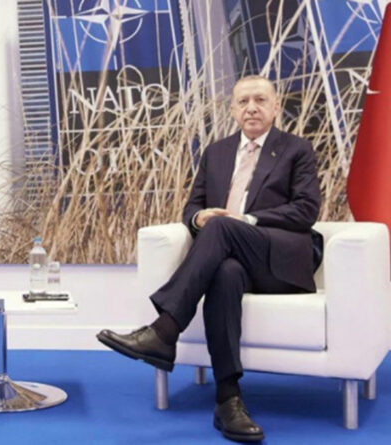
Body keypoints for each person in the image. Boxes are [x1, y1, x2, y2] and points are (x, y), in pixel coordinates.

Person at [97, 75, 322, 442]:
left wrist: (247, 220)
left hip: (278, 260)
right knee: (225, 272)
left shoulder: (297, 149)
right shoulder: (216, 153)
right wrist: (198, 218)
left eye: (260, 100)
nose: (252, 108)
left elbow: (306, 210)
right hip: (233, 259)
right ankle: (228, 400)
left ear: (276, 107)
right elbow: (193, 207)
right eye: (243, 102)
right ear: (232, 110)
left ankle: (165, 330)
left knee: (221, 228)